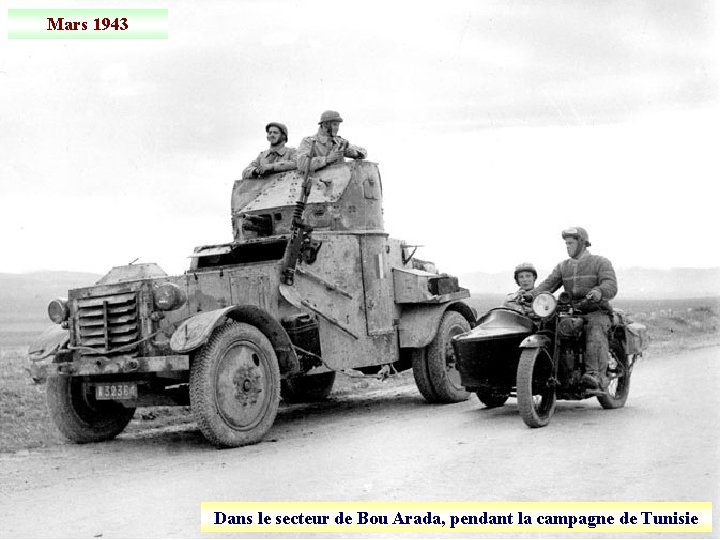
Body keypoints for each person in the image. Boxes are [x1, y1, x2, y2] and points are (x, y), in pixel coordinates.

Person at [526, 227, 618, 390]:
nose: (567, 247)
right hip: (569, 311)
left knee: (595, 326)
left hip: (595, 310)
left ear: (582, 243)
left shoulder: (600, 262)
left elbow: (610, 285)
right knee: (545, 326)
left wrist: (598, 292)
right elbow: (548, 284)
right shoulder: (563, 266)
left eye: (570, 243)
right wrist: (530, 295)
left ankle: (594, 374)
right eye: (566, 244)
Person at [295, 110, 367, 172]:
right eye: (335, 125)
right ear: (325, 125)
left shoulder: (340, 141)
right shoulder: (309, 142)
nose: (337, 128)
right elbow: (301, 164)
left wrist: (355, 153)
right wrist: (326, 160)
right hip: (317, 184)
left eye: (338, 125)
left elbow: (364, 152)